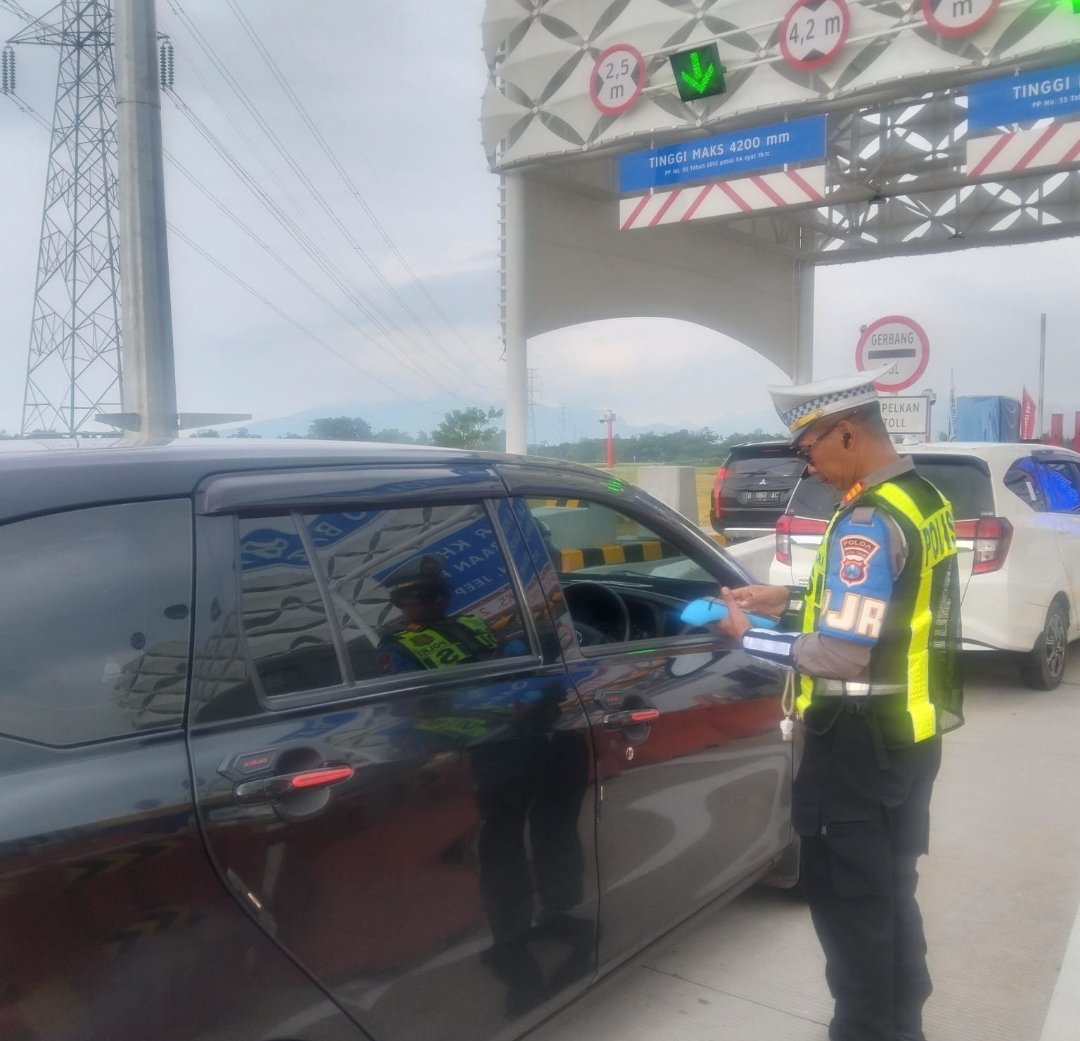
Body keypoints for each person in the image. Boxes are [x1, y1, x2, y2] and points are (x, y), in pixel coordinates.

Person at [712, 369, 964, 1041]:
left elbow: (844, 653)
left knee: (851, 908)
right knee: (889, 893)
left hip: (855, 746)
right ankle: (904, 1018)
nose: (809, 465)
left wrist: (754, 638)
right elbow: (890, 613)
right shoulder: (922, 499)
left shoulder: (866, 519)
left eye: (808, 450)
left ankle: (868, 1029)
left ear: (846, 431)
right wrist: (785, 600)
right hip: (910, 734)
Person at [376, 554, 526, 673]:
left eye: (443, 592)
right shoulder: (396, 646)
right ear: (400, 600)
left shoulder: (472, 621)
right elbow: (415, 704)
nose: (440, 599)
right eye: (429, 595)